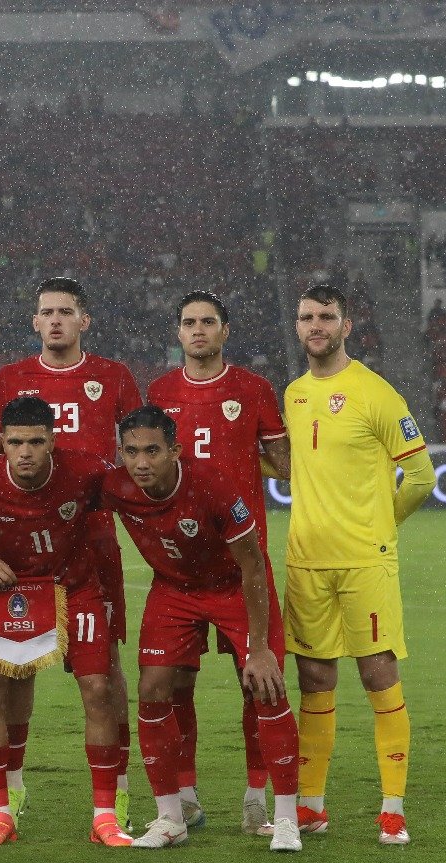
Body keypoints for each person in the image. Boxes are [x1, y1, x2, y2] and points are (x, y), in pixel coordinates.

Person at [0, 277, 141, 828]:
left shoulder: (114, 377)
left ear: (84, 320)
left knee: (104, 674)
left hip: (90, 539)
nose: (54, 320)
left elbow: (135, 453)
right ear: (34, 322)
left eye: (65, 312)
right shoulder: (13, 378)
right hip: (18, 549)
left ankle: (116, 796)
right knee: (10, 675)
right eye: (45, 312)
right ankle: (9, 794)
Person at [102, 406, 301, 852]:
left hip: (234, 584)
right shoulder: (115, 485)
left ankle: (283, 817)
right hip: (174, 589)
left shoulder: (211, 484)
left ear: (175, 450)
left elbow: (252, 563)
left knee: (265, 686)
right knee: (153, 688)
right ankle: (170, 817)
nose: (142, 463)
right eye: (131, 452)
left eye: (152, 451)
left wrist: (259, 648)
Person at [284, 285, 436, 845]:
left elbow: (421, 477)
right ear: (297, 327)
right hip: (306, 562)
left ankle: (392, 808)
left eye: (326, 317)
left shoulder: (377, 393)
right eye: (307, 317)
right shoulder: (294, 394)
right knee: (314, 679)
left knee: (377, 674)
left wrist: (377, 528)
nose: (315, 325)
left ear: (347, 326)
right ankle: (311, 806)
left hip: (364, 562)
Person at [147, 291, 290, 835]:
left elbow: (283, 461)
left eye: (208, 322)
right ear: (178, 332)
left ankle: (257, 796)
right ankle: (184, 796)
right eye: (189, 323)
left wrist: (235, 465)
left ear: (225, 331)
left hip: (240, 563)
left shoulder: (252, 389)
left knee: (258, 682)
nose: (198, 330)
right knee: (174, 682)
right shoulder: (159, 392)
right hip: (179, 564)